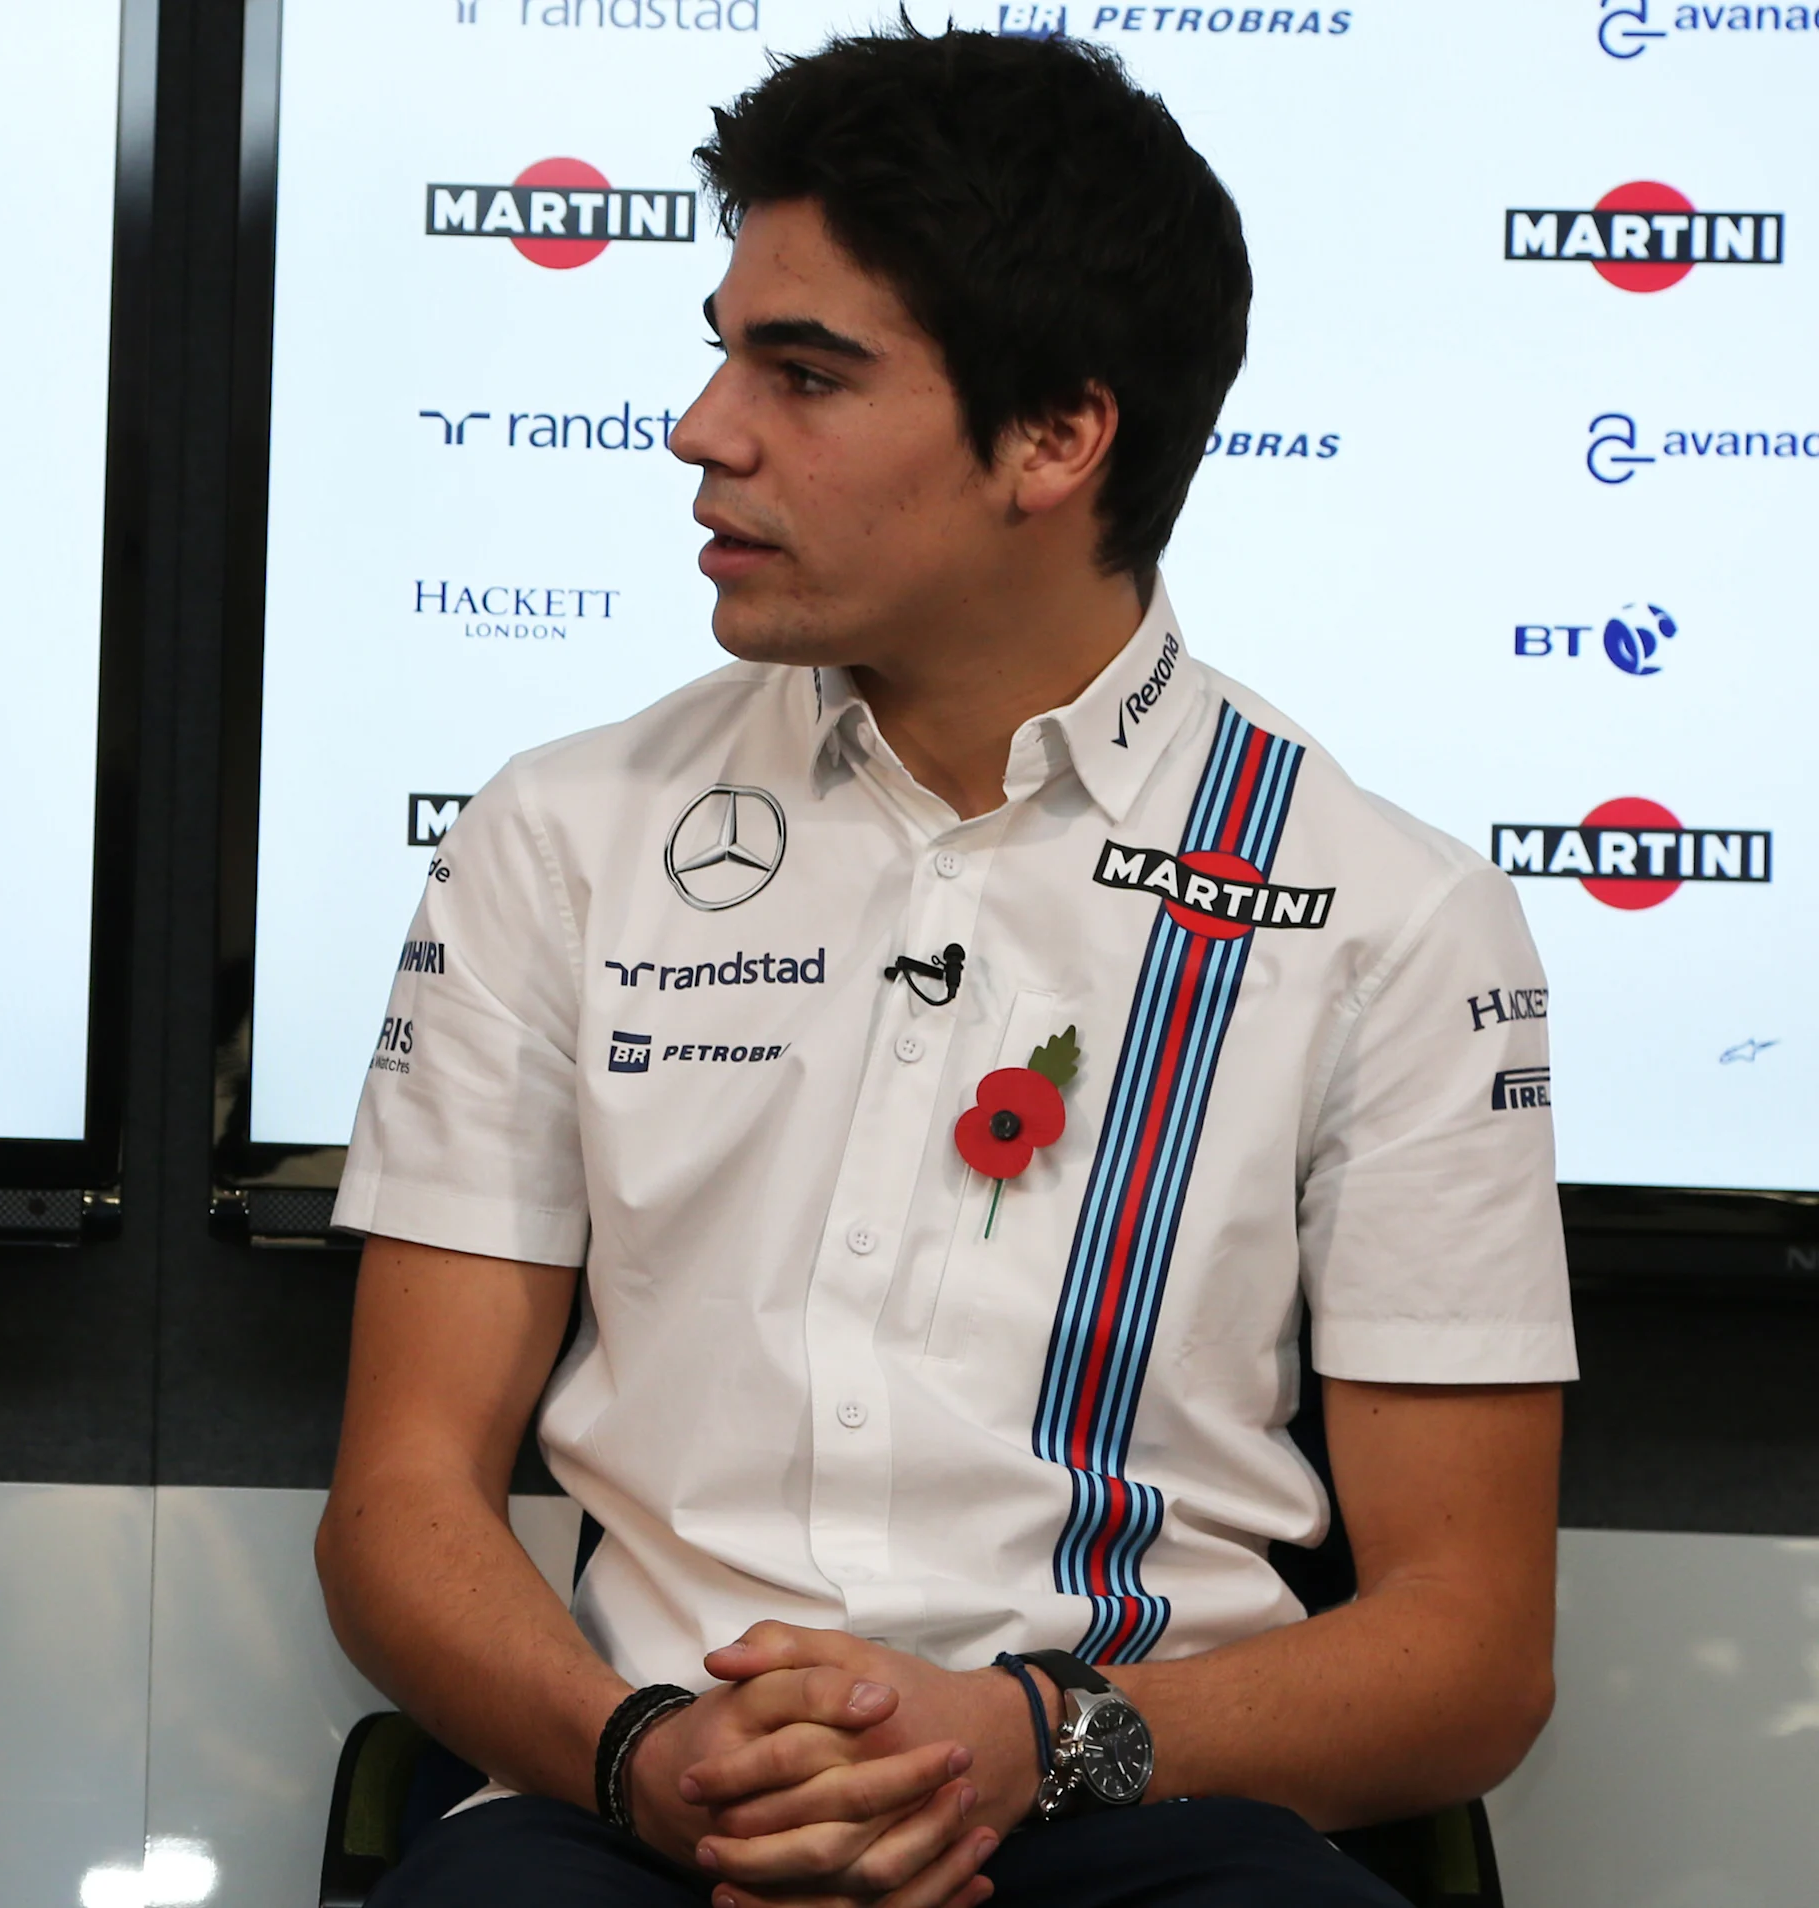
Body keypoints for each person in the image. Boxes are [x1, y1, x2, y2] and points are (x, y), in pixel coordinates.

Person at [315, 27, 1569, 1908]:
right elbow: (395, 1508)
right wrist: (645, 1756)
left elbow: (1472, 1654)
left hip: (1141, 1815)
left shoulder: (1389, 914)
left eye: (806, 373)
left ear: (1057, 438)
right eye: (723, 348)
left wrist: (1034, 1740)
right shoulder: (560, 835)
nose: (704, 428)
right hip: (634, 1805)